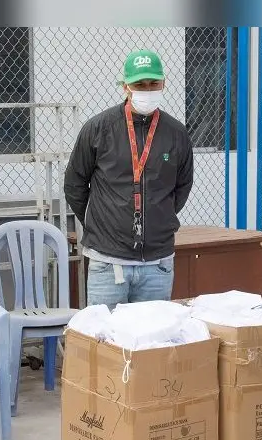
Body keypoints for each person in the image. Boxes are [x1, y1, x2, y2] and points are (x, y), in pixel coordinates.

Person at [64, 49, 194, 308]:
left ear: (163, 83)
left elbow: (181, 187)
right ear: (125, 86)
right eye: (139, 84)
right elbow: (75, 185)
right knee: (107, 342)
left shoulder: (176, 133)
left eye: (153, 83)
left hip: (157, 264)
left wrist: (157, 217)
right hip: (108, 263)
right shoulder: (99, 128)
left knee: (150, 343)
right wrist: (103, 222)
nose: (147, 89)